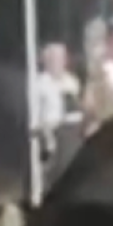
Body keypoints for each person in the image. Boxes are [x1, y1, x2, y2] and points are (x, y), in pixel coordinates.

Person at [34, 43, 84, 186]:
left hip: (72, 131)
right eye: (54, 59)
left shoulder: (72, 81)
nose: (58, 62)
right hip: (50, 132)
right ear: (45, 62)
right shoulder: (39, 84)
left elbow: (77, 107)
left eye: (61, 58)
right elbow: (36, 115)